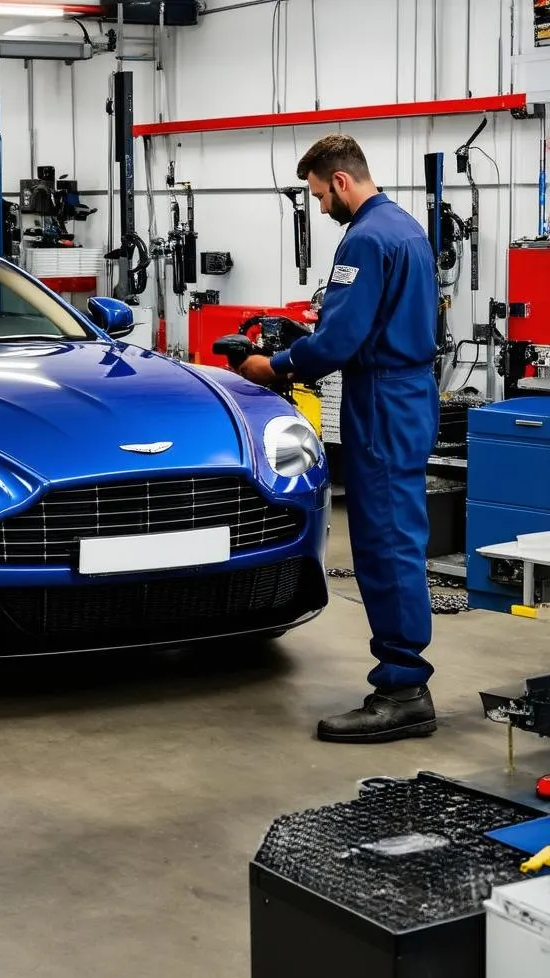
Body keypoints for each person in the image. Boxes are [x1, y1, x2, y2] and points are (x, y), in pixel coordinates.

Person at [239, 134, 440, 744]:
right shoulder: (406, 227)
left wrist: (272, 367)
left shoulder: (366, 237)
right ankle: (404, 677)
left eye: (320, 194)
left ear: (341, 181)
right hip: (407, 392)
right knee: (396, 530)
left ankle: (403, 688)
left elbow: (336, 343)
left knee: (385, 541)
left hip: (381, 399)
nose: (321, 206)